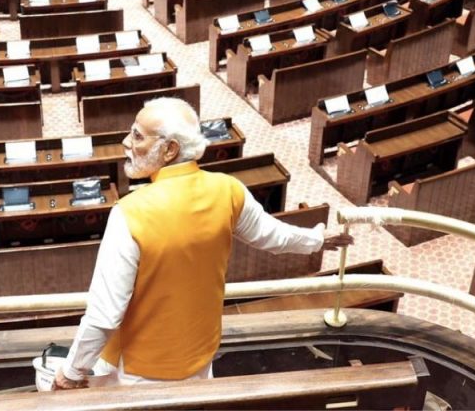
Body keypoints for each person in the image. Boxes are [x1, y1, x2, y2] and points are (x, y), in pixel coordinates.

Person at [53, 98, 353, 390]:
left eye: (137, 135)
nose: (126, 143)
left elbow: (104, 314)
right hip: (201, 358)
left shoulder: (128, 213)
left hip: (138, 370)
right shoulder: (227, 189)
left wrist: (71, 370)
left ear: (169, 149)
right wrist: (316, 239)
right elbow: (271, 235)